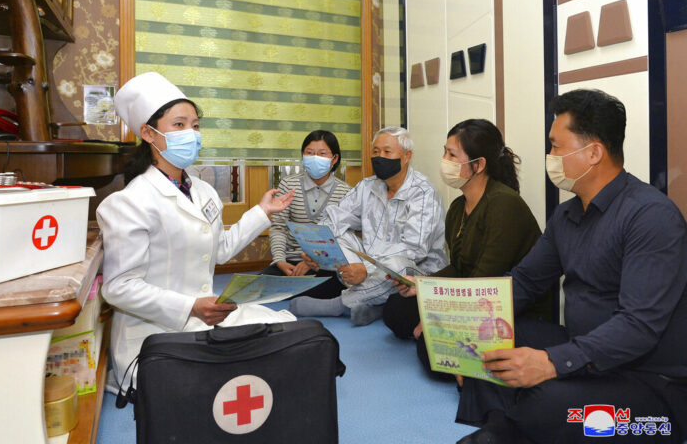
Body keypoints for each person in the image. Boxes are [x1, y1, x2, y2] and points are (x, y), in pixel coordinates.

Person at [456, 89, 687, 444]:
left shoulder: (651, 217)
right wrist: (461, 320)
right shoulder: (566, 215)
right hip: (585, 348)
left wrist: (551, 363)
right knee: (489, 343)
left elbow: (639, 326)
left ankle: (507, 425)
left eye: (556, 146)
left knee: (547, 405)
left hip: (652, 383)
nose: (550, 157)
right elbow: (524, 281)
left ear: (593, 153)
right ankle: (501, 426)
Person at [96, 72, 295, 387]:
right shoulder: (128, 203)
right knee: (228, 375)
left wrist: (262, 212)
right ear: (148, 133)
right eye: (179, 125)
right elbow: (119, 287)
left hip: (209, 312)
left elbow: (222, 250)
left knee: (285, 329)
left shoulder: (203, 191)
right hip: (157, 330)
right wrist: (189, 306)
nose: (191, 133)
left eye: (196, 125)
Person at [382, 119, 546, 378]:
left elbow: (483, 282)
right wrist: (421, 285)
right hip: (470, 295)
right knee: (394, 309)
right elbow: (459, 268)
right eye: (444, 151)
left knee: (431, 351)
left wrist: (435, 313)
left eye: (452, 154)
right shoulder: (459, 207)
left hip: (505, 308)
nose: (444, 160)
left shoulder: (504, 205)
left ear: (479, 165)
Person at [288, 126, 448, 325]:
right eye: (375, 151)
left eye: (387, 152)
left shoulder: (424, 193)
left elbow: (415, 250)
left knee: (398, 264)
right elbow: (335, 218)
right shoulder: (367, 186)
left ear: (407, 156)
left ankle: (340, 304)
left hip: (417, 272)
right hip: (371, 266)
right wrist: (316, 249)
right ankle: (374, 305)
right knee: (338, 237)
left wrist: (366, 268)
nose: (379, 157)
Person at [260, 130, 352, 299]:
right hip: (290, 262)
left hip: (325, 266)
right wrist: (280, 261)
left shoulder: (346, 192)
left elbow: (341, 238)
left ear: (335, 159)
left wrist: (311, 261)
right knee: (258, 285)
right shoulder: (289, 184)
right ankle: (298, 292)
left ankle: (297, 293)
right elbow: (278, 227)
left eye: (322, 153)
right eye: (310, 153)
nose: (315, 157)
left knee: (338, 284)